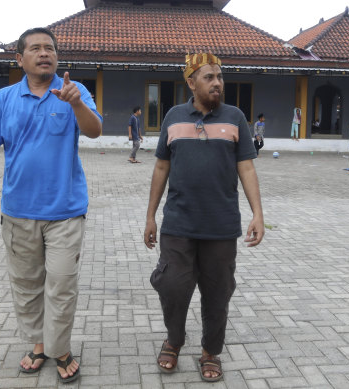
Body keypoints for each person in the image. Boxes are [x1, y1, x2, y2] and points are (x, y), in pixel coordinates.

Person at [0, 27, 102, 384]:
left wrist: (74, 103)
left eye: (50, 48)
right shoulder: (5, 98)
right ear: (20, 59)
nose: (44, 53)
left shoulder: (75, 91)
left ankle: (61, 348)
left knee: (61, 283)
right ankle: (40, 345)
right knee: (26, 284)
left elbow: (95, 130)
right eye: (36, 48)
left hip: (65, 211)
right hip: (18, 212)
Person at [143, 53, 264, 383]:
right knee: (172, 285)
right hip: (178, 223)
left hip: (221, 226)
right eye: (209, 77)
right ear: (190, 82)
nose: (217, 83)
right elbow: (161, 167)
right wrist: (151, 216)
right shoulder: (174, 116)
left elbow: (247, 168)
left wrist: (258, 214)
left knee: (218, 291)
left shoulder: (235, 117)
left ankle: (211, 350)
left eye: (220, 77)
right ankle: (175, 339)